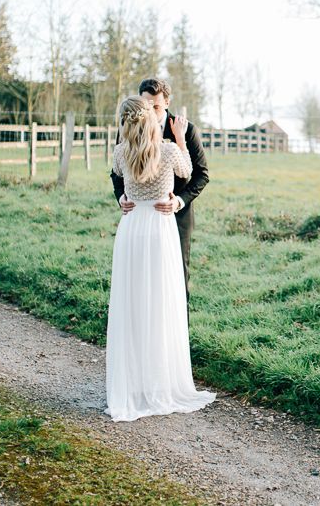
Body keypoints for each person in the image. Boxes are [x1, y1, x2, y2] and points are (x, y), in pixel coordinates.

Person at [104, 95, 215, 422]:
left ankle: (135, 383)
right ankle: (161, 380)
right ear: (149, 120)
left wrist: (125, 195)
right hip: (159, 229)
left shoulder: (120, 152)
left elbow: (121, 181)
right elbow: (188, 169)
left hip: (131, 228)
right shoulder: (167, 152)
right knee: (161, 302)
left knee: (133, 304)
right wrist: (180, 138)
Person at [110, 78, 209, 313]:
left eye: (155, 106)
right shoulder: (128, 128)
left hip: (176, 218)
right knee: (138, 281)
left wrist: (178, 200)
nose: (149, 113)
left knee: (175, 282)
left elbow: (201, 175)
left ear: (166, 103)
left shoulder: (185, 130)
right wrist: (121, 196)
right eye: (145, 106)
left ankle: (175, 342)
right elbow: (117, 173)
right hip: (137, 214)